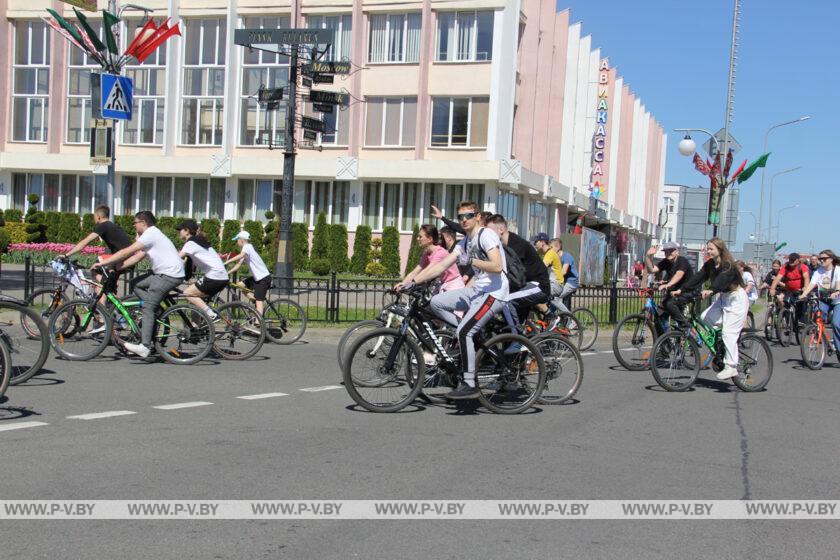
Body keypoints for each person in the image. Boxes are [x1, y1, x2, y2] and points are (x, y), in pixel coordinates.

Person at [410, 201, 508, 400]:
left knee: (464, 331)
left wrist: (470, 261)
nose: (464, 220)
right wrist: (411, 282)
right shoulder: (464, 242)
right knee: (436, 303)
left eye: (468, 215)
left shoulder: (486, 235)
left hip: (494, 293)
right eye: (460, 217)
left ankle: (470, 383)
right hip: (477, 291)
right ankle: (467, 333)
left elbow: (497, 266)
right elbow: (441, 265)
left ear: (478, 217)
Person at [95, 211, 185, 358]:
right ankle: (153, 309)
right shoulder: (152, 235)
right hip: (164, 273)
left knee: (148, 307)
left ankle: (145, 346)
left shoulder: (150, 234)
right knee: (136, 283)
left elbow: (127, 252)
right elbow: (136, 257)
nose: (134, 225)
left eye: (135, 222)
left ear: (143, 222)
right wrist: (117, 267)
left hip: (168, 275)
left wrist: (104, 262)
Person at [676, 238, 747, 380]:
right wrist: (681, 289)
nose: (708, 251)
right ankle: (722, 345)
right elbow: (698, 277)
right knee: (704, 318)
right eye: (707, 249)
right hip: (723, 299)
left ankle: (731, 366)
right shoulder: (710, 265)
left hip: (736, 300)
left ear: (719, 250)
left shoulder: (728, 265)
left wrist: (711, 290)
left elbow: (722, 280)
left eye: (711, 249)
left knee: (729, 333)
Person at [61, 205, 135, 319]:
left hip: (122, 258)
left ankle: (104, 309)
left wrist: (66, 255)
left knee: (96, 268)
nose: (93, 219)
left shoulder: (103, 226)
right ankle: (113, 315)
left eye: (94, 216)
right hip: (126, 259)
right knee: (104, 289)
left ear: (99, 216)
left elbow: (85, 242)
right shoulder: (111, 226)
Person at [485, 214, 550, 326]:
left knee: (506, 300)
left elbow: (512, 274)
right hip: (524, 286)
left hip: (538, 286)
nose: (487, 235)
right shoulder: (503, 245)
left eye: (490, 231)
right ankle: (518, 336)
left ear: (501, 229)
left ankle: (517, 337)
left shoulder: (516, 245)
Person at [176, 219, 230, 321]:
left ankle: (211, 315)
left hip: (214, 276)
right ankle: (197, 329)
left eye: (181, 230)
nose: (179, 232)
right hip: (221, 276)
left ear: (187, 231)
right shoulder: (199, 242)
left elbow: (176, 259)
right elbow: (188, 265)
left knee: (188, 293)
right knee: (195, 300)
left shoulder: (191, 243)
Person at [397, 224, 465, 293]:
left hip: (454, 286)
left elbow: (428, 271)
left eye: (420, 237)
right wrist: (403, 283)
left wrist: (412, 283)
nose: (417, 239)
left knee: (434, 302)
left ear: (429, 239)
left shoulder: (439, 252)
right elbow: (415, 272)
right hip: (444, 285)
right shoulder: (426, 254)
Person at [799, 250, 840, 361]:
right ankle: (819, 333)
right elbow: (812, 284)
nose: (821, 260)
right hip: (824, 300)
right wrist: (803, 294)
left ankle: (838, 348)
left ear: (831, 259)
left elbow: (838, 284)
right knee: (818, 318)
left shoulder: (837, 270)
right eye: (820, 258)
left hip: (837, 301)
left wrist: (836, 291)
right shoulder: (819, 271)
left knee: (836, 324)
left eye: (824, 259)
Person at [644, 242, 694, 329]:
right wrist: (648, 256)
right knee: (659, 319)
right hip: (673, 293)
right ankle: (664, 341)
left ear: (676, 251)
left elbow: (679, 274)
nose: (668, 253)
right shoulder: (666, 262)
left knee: (670, 304)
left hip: (685, 292)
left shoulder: (682, 261)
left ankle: (685, 326)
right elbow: (651, 269)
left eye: (671, 251)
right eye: (666, 251)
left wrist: (668, 284)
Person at [224, 230, 271, 315]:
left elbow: (241, 255)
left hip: (263, 278)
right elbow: (238, 265)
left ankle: (259, 322)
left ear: (242, 240)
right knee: (240, 286)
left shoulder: (247, 247)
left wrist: (227, 262)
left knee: (259, 301)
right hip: (257, 277)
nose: (237, 242)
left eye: (237, 240)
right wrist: (227, 273)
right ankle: (254, 301)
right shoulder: (246, 250)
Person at [770, 252, 810, 321]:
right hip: (788, 291)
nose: (791, 261)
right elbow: (777, 278)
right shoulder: (785, 267)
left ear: (798, 260)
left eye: (793, 260)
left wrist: (805, 288)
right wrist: (772, 288)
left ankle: (801, 322)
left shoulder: (802, 267)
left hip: (799, 291)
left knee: (800, 308)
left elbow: (806, 278)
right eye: (790, 259)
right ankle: (784, 313)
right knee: (780, 299)